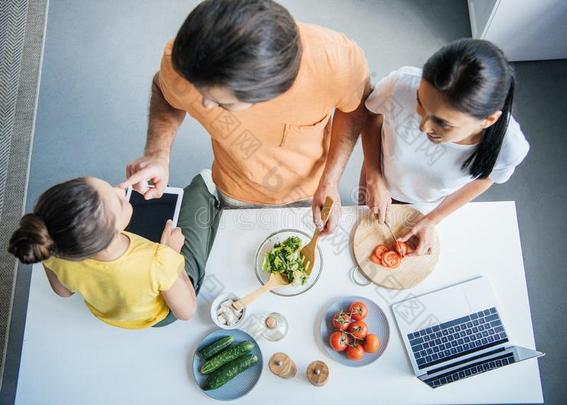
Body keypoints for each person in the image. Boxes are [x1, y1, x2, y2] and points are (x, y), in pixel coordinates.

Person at [121, 0, 370, 235]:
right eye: (199, 91)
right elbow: (166, 92)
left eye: (222, 102)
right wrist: (157, 153)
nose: (204, 104)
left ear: (271, 90)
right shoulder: (184, 61)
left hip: (312, 189)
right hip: (235, 188)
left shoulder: (337, 61)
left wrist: (331, 180)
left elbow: (355, 108)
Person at [361, 39, 529, 255]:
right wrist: (374, 178)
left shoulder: (510, 148)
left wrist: (433, 219)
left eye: (443, 123)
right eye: (420, 103)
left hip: (425, 205)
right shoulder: (401, 85)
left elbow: (488, 177)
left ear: (488, 120)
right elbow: (371, 114)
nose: (423, 127)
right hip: (378, 179)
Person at [8, 174, 221, 329]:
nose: (121, 189)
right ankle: (206, 189)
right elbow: (186, 312)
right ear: (112, 233)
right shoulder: (158, 260)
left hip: (112, 314)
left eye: (111, 188)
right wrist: (171, 254)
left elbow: (64, 292)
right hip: (158, 316)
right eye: (119, 201)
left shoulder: (54, 249)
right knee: (199, 188)